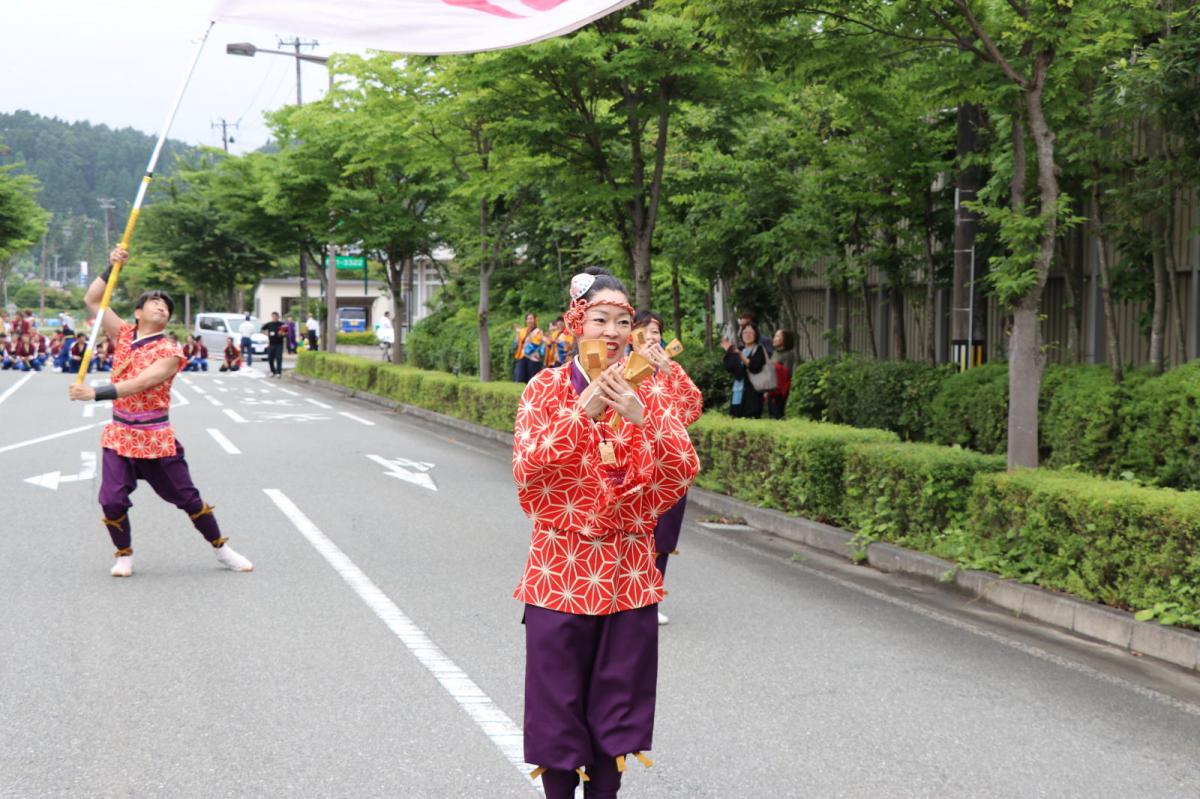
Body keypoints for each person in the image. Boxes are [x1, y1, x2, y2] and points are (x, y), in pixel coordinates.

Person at [513, 267, 699, 799]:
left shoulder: (651, 391)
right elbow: (529, 471)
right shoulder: (544, 388)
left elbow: (681, 468)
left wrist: (643, 419)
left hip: (628, 573)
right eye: (601, 319)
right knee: (556, 705)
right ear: (578, 323)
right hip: (559, 571)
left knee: (618, 709)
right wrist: (581, 412)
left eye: (622, 321)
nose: (613, 331)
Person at [67, 247, 253, 578]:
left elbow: (144, 382)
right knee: (110, 500)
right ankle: (123, 554)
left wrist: (94, 393)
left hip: (155, 437)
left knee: (189, 499)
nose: (161, 307)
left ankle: (222, 549)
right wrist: (112, 266)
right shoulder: (123, 334)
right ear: (137, 313)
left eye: (165, 305)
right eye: (154, 302)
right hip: (120, 433)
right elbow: (94, 300)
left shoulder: (170, 349)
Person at [631, 310, 703, 626]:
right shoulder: (624, 369)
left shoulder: (671, 369)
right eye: (643, 331)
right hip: (634, 462)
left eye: (656, 332)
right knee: (633, 530)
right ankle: (625, 594)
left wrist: (669, 372)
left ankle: (650, 595)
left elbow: (691, 407)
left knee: (663, 534)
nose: (651, 338)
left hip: (669, 464)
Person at [721, 322, 769, 418]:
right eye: (745, 332)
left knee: (750, 418)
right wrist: (729, 351)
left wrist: (740, 355)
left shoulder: (758, 349)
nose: (747, 335)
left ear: (756, 335)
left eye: (751, 333)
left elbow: (754, 367)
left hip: (752, 392)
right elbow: (729, 367)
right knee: (735, 417)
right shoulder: (740, 349)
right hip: (738, 390)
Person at [767, 329, 797, 420]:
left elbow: (786, 373)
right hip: (771, 387)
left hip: (780, 389)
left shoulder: (788, 354)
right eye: (775, 336)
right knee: (771, 413)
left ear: (785, 340)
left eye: (777, 336)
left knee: (778, 414)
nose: (774, 338)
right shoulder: (775, 353)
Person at [511, 312, 541, 382]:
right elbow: (516, 344)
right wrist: (518, 335)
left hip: (533, 358)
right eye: (528, 319)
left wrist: (529, 335)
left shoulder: (538, 331)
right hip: (522, 356)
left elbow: (537, 343)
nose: (529, 321)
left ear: (535, 320)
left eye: (531, 319)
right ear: (526, 321)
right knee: (520, 377)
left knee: (532, 379)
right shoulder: (522, 331)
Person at [261, 311, 286, 378]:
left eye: (275, 316)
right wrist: (266, 334)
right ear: (271, 317)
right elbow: (262, 329)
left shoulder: (282, 324)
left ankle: (278, 372)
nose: (274, 318)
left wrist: (282, 333)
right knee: (270, 358)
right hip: (271, 344)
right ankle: (272, 371)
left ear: (278, 317)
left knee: (278, 358)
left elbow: (286, 333)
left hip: (279, 344)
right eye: (273, 316)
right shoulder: (269, 324)